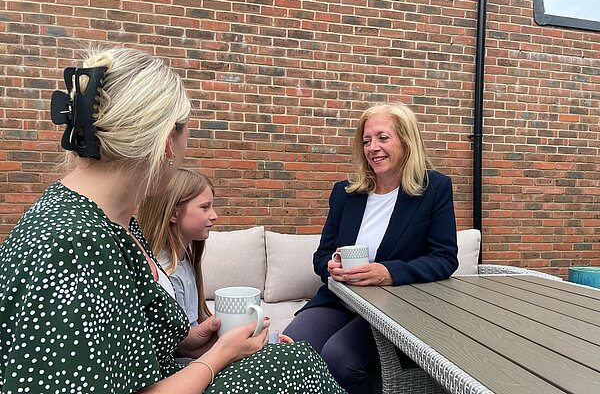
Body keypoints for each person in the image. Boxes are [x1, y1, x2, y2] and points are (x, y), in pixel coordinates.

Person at [0, 47, 346, 394]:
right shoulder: (68, 245)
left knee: (292, 357)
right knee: (295, 364)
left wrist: (190, 343)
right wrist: (217, 358)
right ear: (167, 141)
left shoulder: (114, 223)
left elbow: (121, 350)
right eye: (185, 134)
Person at [283, 102, 459, 394]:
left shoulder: (434, 189)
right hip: (341, 299)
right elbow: (321, 256)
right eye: (366, 141)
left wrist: (387, 273)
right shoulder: (345, 193)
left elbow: (444, 258)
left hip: (393, 307)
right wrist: (331, 265)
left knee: (340, 357)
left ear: (406, 140)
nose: (373, 147)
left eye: (382, 138)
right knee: (290, 348)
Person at [137, 168, 216, 327]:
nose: (214, 215)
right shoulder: (167, 273)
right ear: (174, 214)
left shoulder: (184, 262)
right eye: (205, 207)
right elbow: (180, 344)